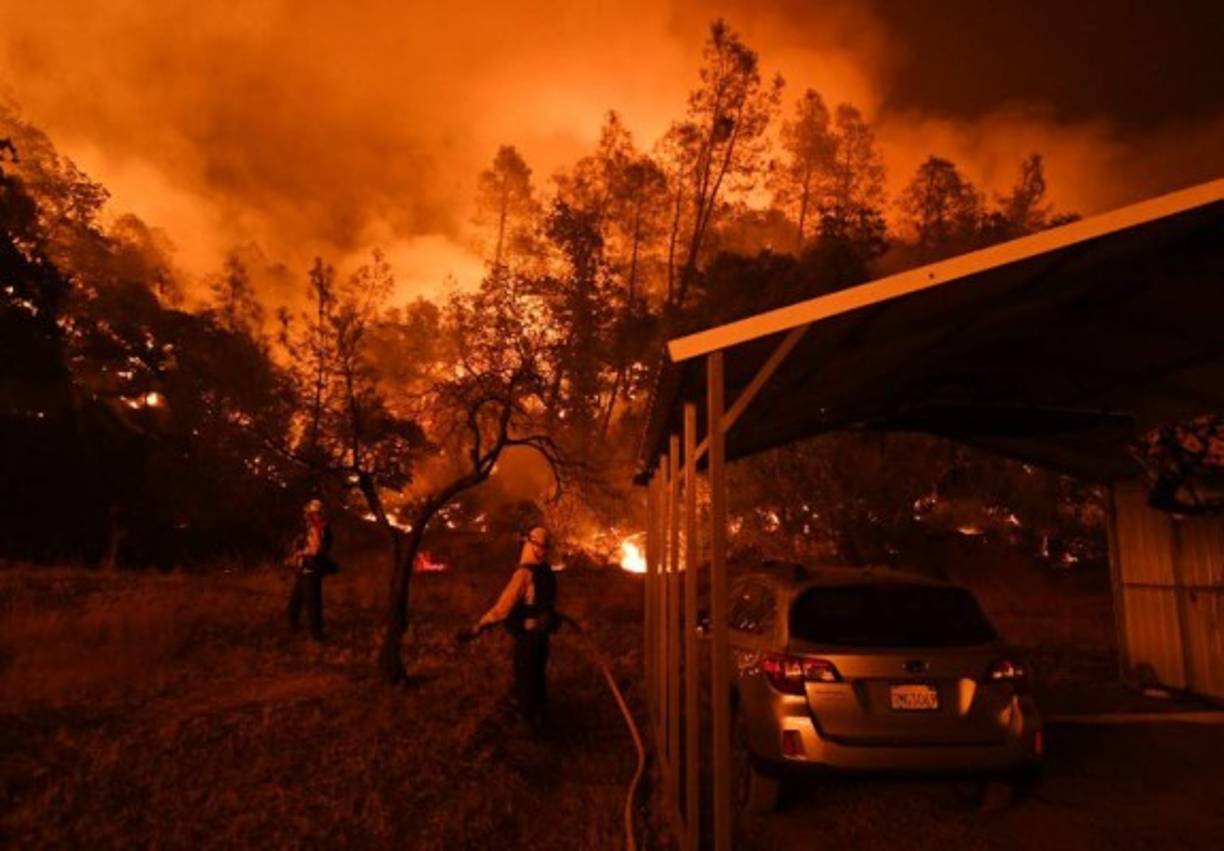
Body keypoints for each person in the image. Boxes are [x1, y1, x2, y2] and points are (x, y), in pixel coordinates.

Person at [459, 525, 558, 732]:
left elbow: (503, 607)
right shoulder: (548, 573)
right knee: (538, 678)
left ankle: (529, 727)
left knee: (526, 680)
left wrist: (480, 625)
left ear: (530, 545)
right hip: (542, 639)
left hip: (528, 640)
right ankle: (543, 721)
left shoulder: (525, 574)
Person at [288, 498, 335, 641]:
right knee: (295, 601)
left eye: (309, 514)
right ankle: (294, 627)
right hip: (305, 569)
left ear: (316, 514)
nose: (306, 516)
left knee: (313, 603)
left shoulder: (320, 528)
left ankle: (317, 634)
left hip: (312, 569)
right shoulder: (312, 528)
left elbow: (315, 551)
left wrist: (298, 554)